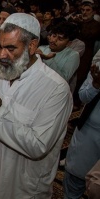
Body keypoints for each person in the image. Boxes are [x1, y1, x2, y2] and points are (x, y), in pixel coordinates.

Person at [0, 13, 73, 198]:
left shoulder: (56, 89)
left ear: (32, 46)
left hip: (20, 182)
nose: (1, 55)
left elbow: (38, 146)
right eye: (0, 46)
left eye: (11, 48)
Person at [64, 55, 100, 199]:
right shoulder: (97, 68)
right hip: (88, 133)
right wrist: (96, 85)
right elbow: (83, 96)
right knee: (73, 183)